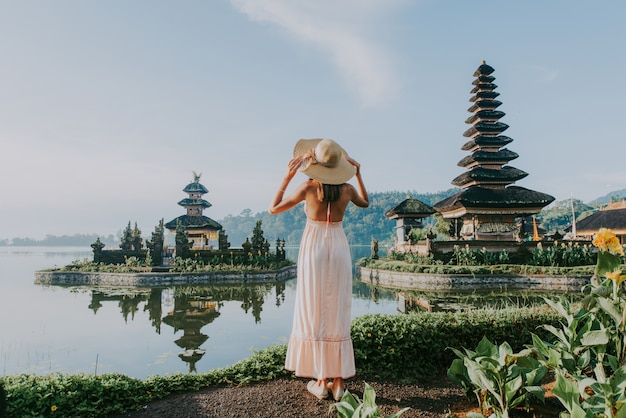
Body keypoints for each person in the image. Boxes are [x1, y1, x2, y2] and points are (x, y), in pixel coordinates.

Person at [269, 138, 369, 401]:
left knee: (314, 310)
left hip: (313, 249)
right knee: (338, 310)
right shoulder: (347, 190)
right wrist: (358, 175)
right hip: (338, 248)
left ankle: (321, 380)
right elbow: (365, 203)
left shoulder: (307, 188)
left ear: (316, 165)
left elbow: (273, 208)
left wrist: (288, 176)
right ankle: (338, 383)